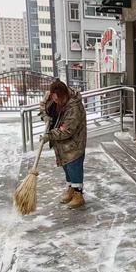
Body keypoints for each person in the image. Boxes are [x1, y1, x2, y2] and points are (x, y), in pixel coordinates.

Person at [39, 79, 87, 209]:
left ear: (64, 94)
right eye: (55, 99)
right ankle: (71, 188)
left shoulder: (74, 107)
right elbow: (43, 106)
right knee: (66, 166)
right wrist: (45, 116)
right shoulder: (52, 96)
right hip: (61, 144)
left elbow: (68, 130)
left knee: (73, 165)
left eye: (59, 99)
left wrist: (49, 136)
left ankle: (78, 194)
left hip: (74, 143)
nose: (57, 102)